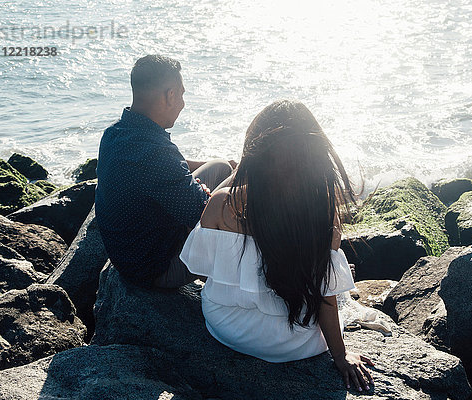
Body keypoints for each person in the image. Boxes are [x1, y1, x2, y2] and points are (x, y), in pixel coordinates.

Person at [180, 100, 374, 391]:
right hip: (294, 342)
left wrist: (240, 171)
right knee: (329, 279)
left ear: (254, 155)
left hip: (227, 327)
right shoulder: (321, 213)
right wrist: (340, 354)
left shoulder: (223, 205)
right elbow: (325, 297)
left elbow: (204, 272)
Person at [95, 54, 234, 288]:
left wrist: (198, 175)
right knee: (238, 193)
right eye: (181, 94)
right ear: (170, 95)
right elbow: (205, 217)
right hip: (157, 269)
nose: (182, 103)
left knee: (221, 166)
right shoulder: (156, 154)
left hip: (129, 254)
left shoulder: (114, 133)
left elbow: (169, 166)